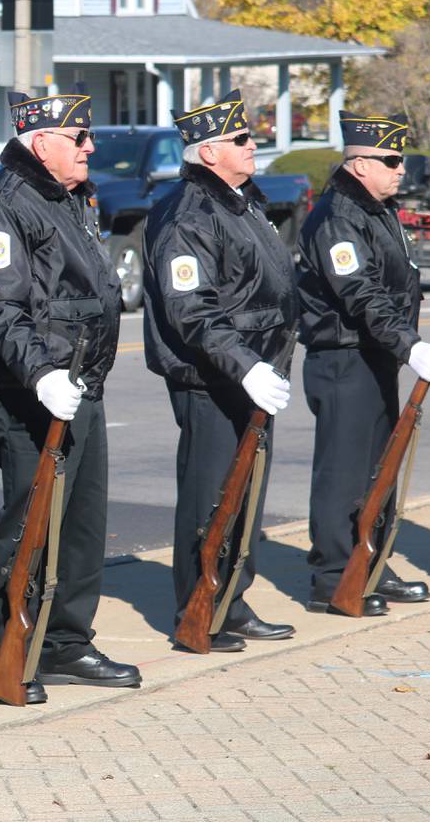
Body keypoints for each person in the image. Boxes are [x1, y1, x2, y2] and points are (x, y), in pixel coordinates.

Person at [0, 89, 135, 703]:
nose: (91, 146)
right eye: (78, 137)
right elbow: (1, 306)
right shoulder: (3, 206)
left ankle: (65, 642)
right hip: (31, 391)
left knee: (82, 523)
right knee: (26, 524)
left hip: (80, 385)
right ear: (40, 143)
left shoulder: (63, 197)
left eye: (89, 135)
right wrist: (42, 375)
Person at [143, 89, 299, 652]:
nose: (252, 144)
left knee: (246, 495)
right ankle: (199, 607)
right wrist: (247, 366)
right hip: (213, 377)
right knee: (211, 494)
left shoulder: (240, 201)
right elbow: (193, 310)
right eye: (240, 139)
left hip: (258, 373)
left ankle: (232, 596)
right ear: (208, 153)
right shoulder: (188, 213)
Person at [296, 112, 430, 616]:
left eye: (401, 159)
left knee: (377, 469)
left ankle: (372, 562)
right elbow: (359, 292)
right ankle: (334, 577)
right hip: (344, 358)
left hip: (374, 356)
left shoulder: (377, 210)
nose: (401, 169)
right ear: (359, 165)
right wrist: (408, 343)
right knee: (344, 472)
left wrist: (400, 345)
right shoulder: (339, 217)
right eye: (391, 160)